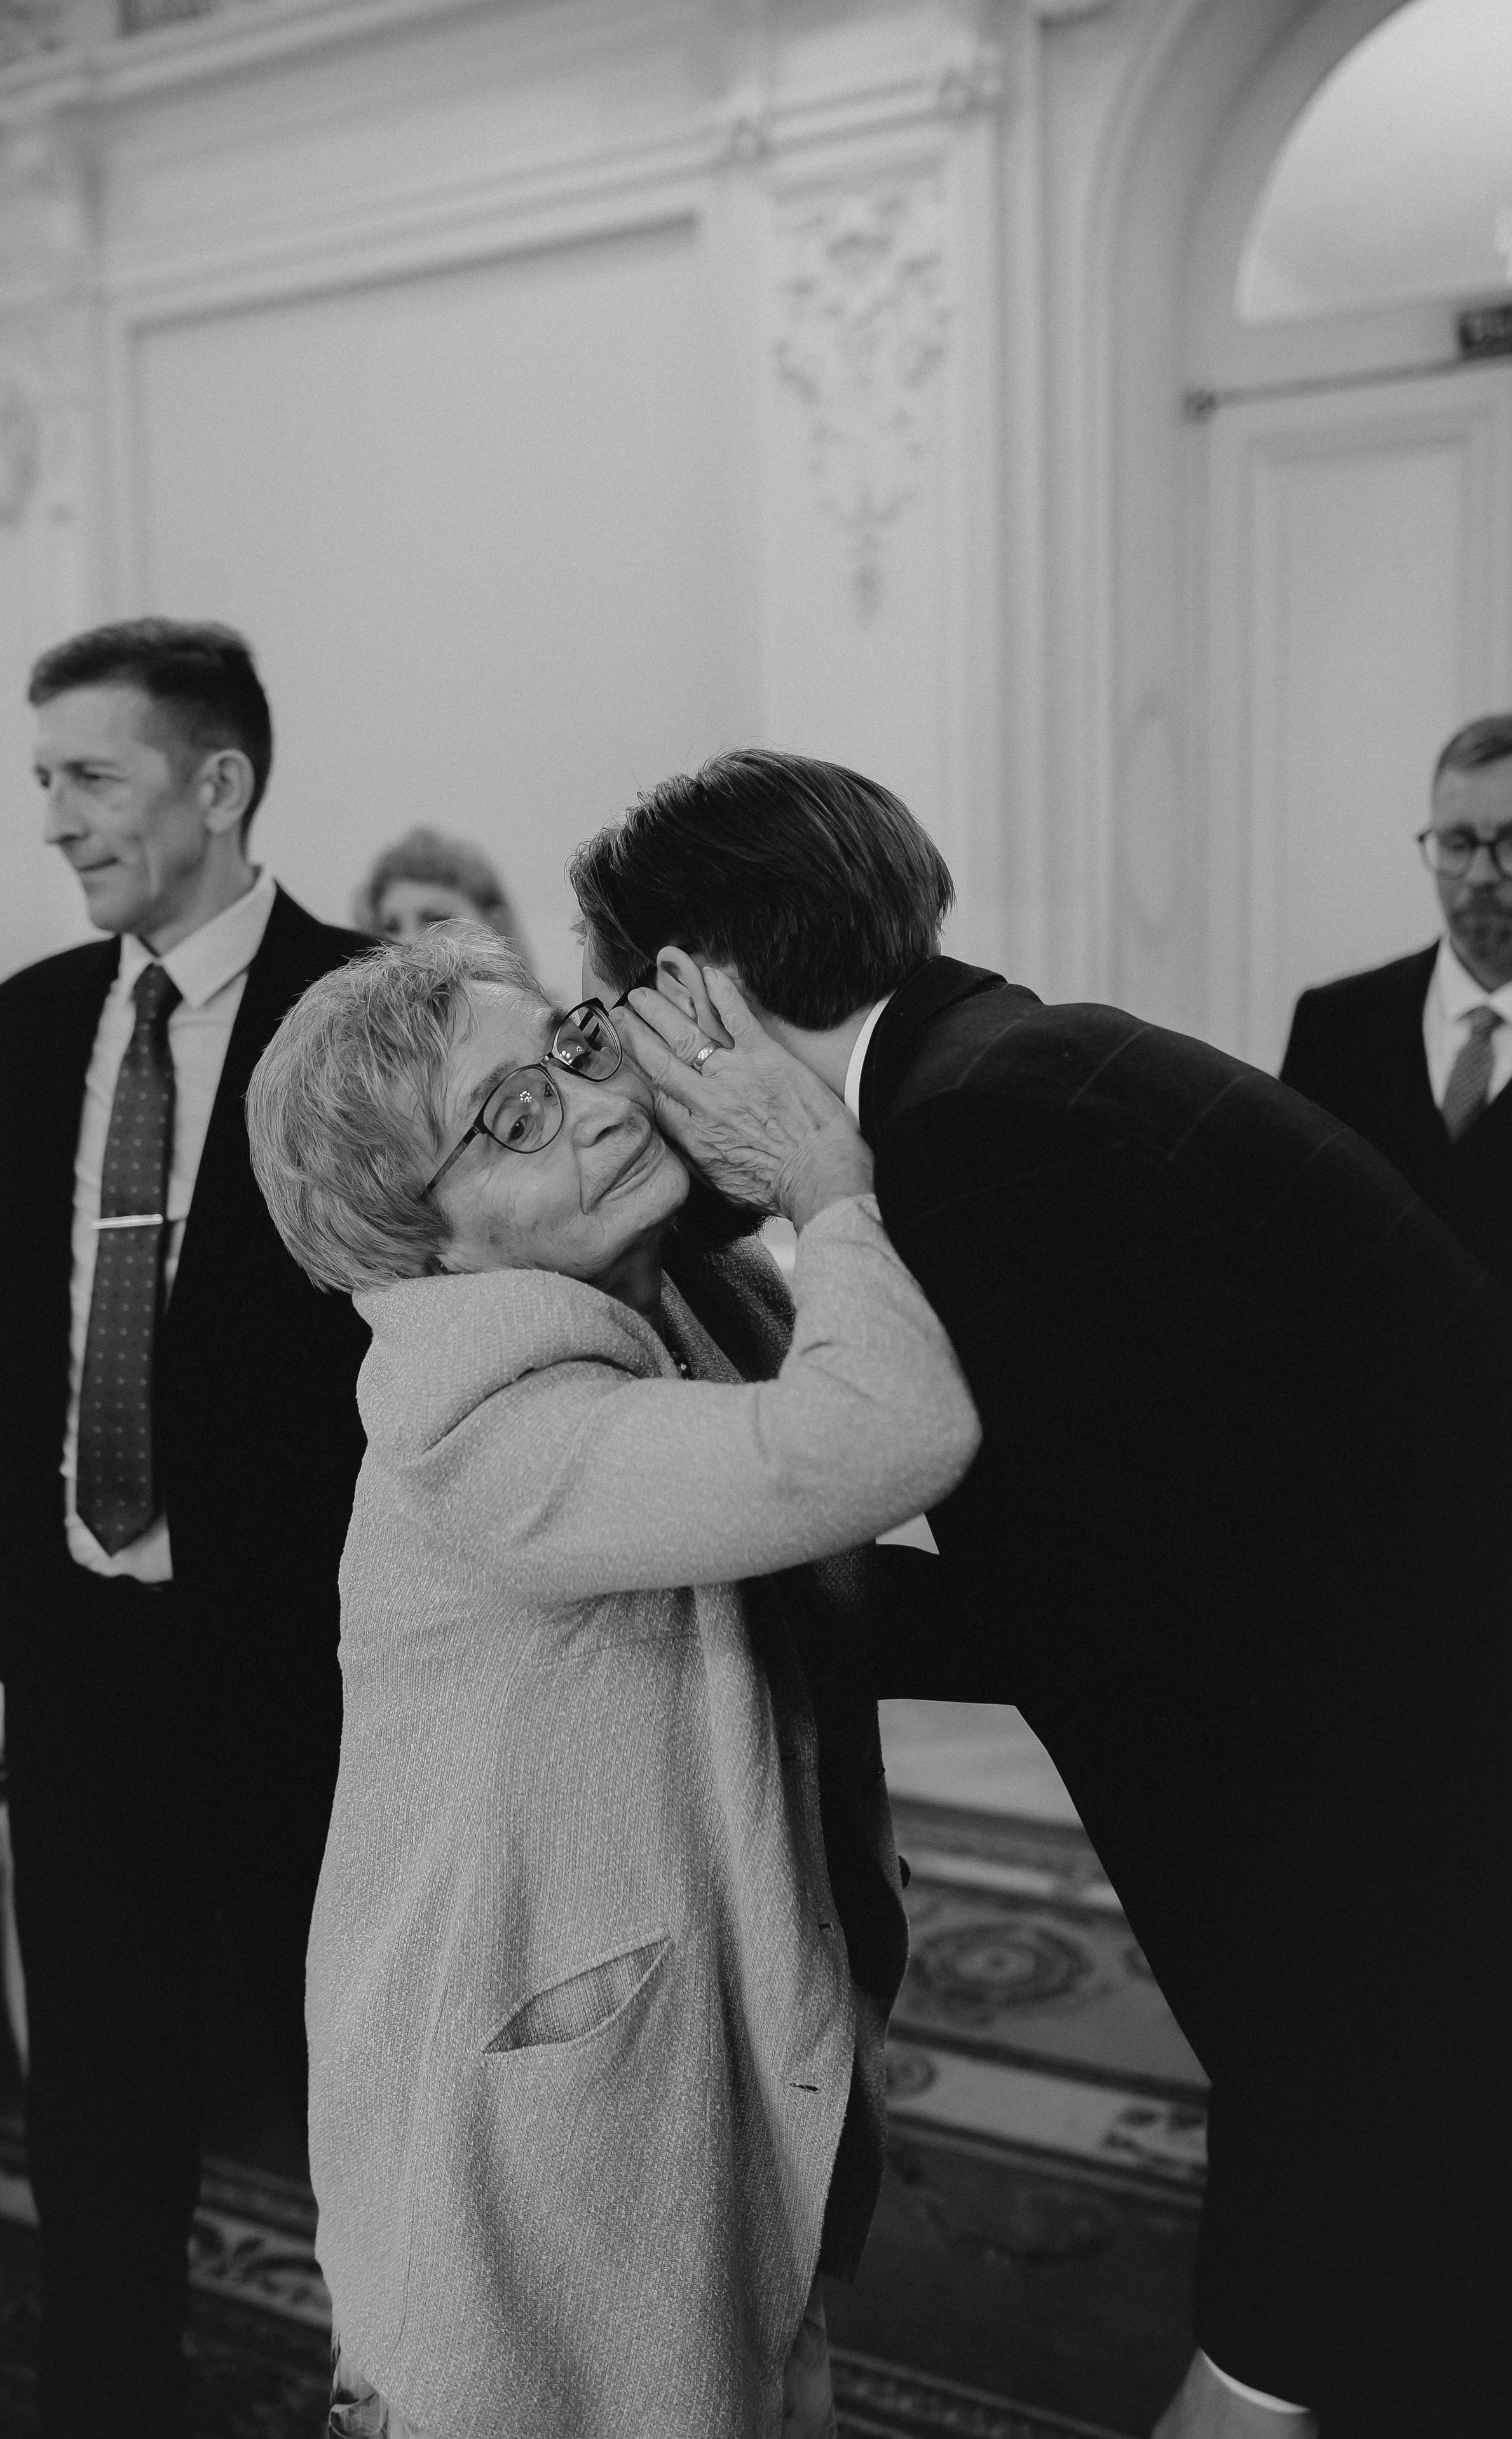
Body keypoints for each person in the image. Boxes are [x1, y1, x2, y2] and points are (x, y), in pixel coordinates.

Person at [568, 748, 1511, 2439]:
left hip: (1401, 1855)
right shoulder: (1006, 1064)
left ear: (696, 989)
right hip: (1402, 1803)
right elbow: (1137, 1554)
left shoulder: (978, 1141)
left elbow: (1183, 1651)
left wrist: (696, 1596)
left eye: (616, 1005)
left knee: (1322, 2340)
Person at [243, 922, 977, 2439]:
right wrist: (824, 1177)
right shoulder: (476, 1417)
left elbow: (820, 1577)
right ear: (416, 1237)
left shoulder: (689, 1291)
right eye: (505, 1116)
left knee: (739, 2368)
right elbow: (883, 1432)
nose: (586, 1102)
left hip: (665, 2009)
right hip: (523, 2066)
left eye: (570, 1049)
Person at [0, 618, 372, 2436]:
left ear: (221, 784)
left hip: (305, 1665)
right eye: (42, 781)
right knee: (95, 2110)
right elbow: (21, 1365)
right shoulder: (23, 1029)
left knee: (359, 2090)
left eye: (89, 777)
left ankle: (408, 2388)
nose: (53, 821)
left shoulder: (368, 1015)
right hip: (87, 1656)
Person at [1281, 713, 1512, 1288]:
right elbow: (1284, 1241)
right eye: (1457, 844)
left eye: (1511, 843)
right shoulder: (1334, 1026)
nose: (1480, 875)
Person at [355, 824, 531, 960]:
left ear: (497, 927)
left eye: (436, 922)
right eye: (389, 928)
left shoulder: (546, 1009)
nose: (407, 944)